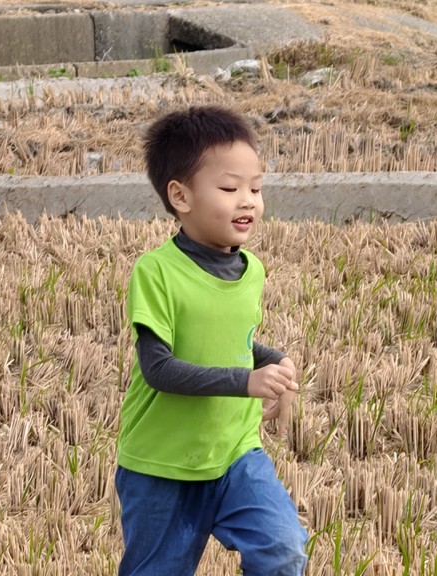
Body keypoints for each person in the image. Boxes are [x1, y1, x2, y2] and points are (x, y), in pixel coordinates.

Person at [116, 105, 308, 575]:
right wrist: (247, 382)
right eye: (229, 189)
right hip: (162, 466)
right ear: (180, 196)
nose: (248, 202)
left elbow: (235, 342)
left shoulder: (252, 270)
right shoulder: (157, 272)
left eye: (256, 189)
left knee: (283, 549)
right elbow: (158, 368)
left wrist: (276, 363)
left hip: (236, 453)